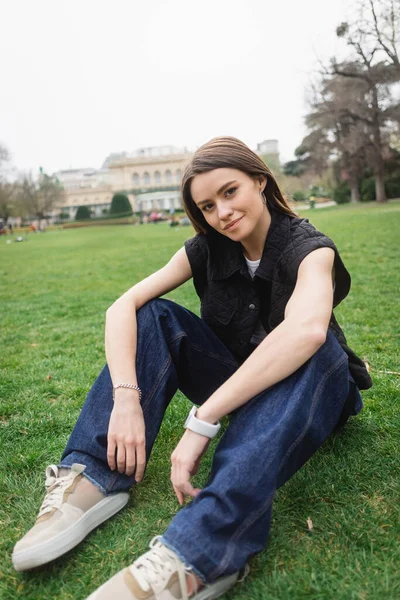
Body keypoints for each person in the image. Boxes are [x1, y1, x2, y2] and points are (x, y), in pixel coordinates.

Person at [12, 137, 372, 599]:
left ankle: (196, 553)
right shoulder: (207, 249)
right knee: (154, 316)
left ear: (259, 180)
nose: (221, 212)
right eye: (206, 205)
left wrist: (203, 419)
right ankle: (94, 477)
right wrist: (127, 396)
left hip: (313, 391)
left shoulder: (309, 247)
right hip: (240, 385)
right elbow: (123, 307)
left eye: (229, 192)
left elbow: (304, 333)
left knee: (316, 345)